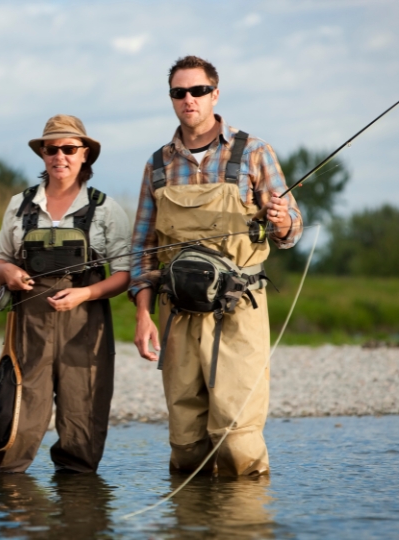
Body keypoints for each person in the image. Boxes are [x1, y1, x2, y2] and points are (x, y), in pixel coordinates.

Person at [130, 56, 303, 476]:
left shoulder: (255, 152)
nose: (189, 99)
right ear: (172, 99)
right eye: (179, 92)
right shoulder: (157, 165)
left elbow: (292, 229)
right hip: (177, 316)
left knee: (236, 436)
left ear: (215, 94)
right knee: (186, 440)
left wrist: (282, 221)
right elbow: (142, 249)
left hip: (239, 311)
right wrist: (142, 314)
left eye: (198, 91)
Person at [0, 114, 131, 473]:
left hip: (86, 325)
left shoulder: (105, 209)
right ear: (43, 155)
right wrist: (8, 274)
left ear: (85, 155)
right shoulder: (19, 205)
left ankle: (79, 512)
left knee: (82, 422)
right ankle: (8, 509)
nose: (59, 156)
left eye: (69, 149)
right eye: (52, 149)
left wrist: (85, 294)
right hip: (28, 325)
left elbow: (126, 274)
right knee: (18, 415)